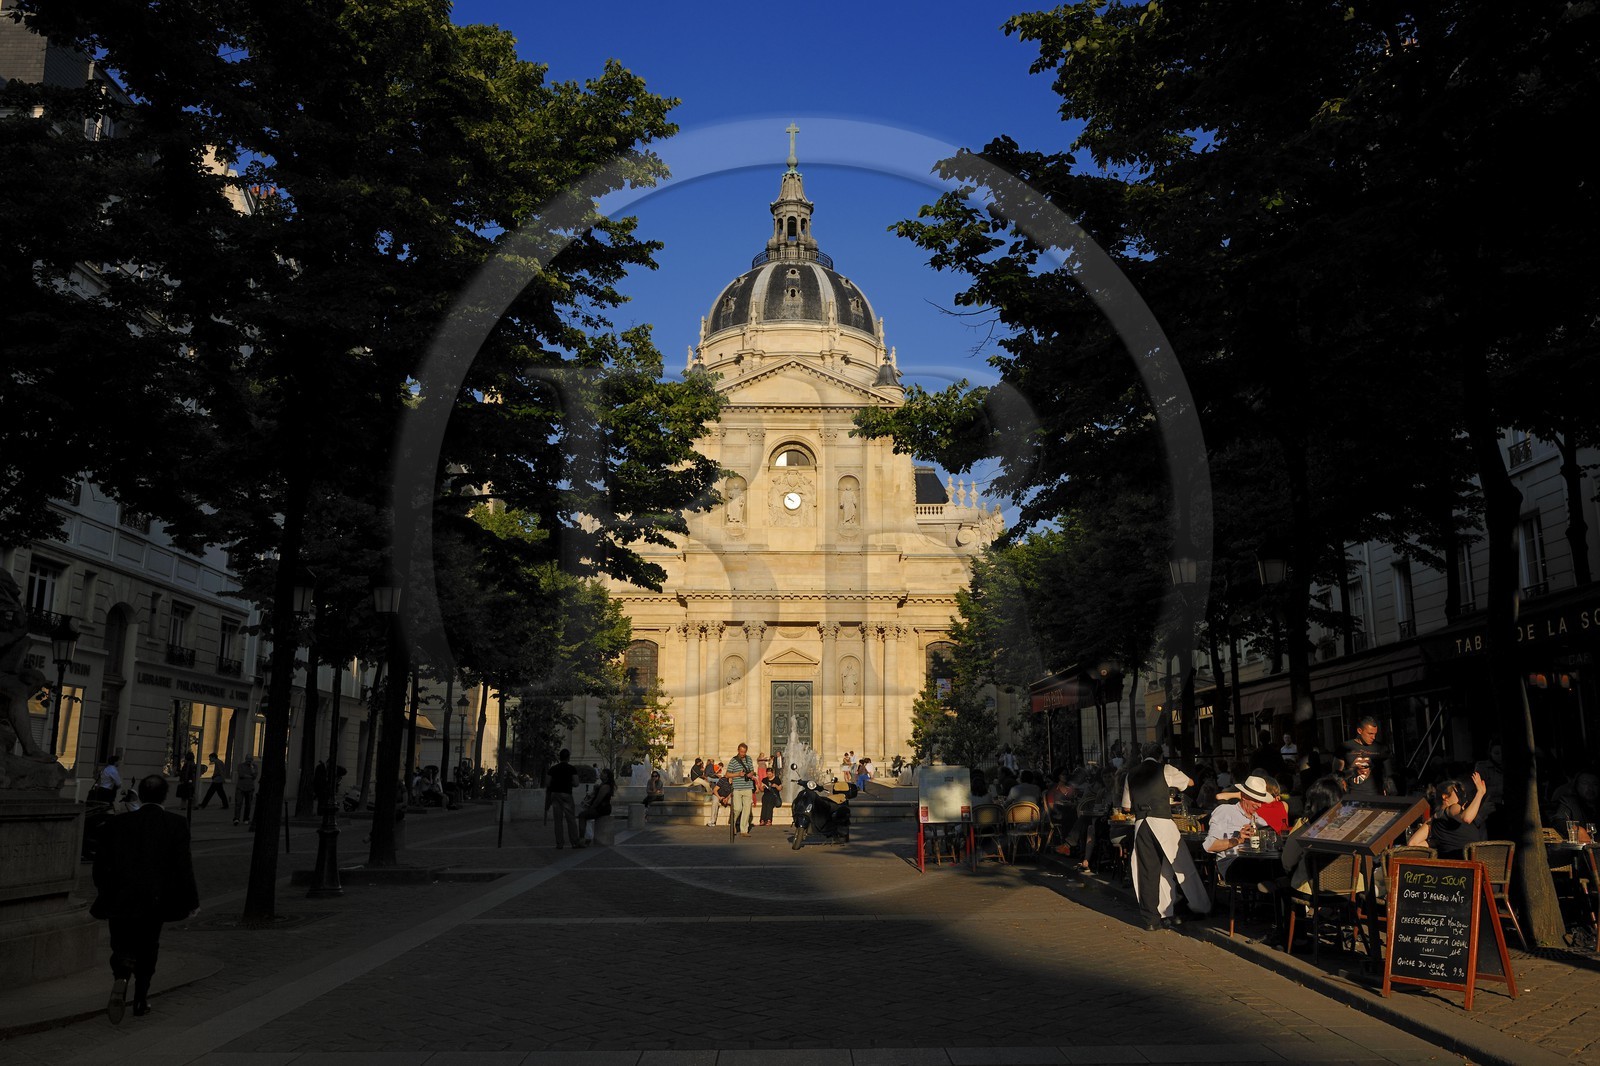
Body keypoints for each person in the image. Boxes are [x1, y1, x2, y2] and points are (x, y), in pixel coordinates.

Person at [90, 774, 200, 1022]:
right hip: (154, 899)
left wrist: (104, 890)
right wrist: (191, 901)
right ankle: (140, 998)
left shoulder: (118, 824)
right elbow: (184, 867)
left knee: (120, 943)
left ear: (139, 793)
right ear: (165, 796)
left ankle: (121, 973)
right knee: (149, 946)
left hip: (120, 897)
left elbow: (101, 865)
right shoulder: (175, 824)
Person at [1123, 742, 1210, 930]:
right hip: (1162, 820)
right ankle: (1199, 906)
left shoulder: (1131, 774)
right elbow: (1190, 783)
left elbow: (1126, 807)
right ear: (1160, 756)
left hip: (1141, 824)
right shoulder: (1165, 768)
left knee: (1147, 870)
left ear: (1142, 756)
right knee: (1182, 865)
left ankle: (1152, 919)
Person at [1204, 774, 1280, 887]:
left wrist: (1273, 840)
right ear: (1244, 796)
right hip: (1233, 864)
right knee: (1271, 868)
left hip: (1256, 862)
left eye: (1261, 801)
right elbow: (1209, 846)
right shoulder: (1225, 811)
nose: (1259, 805)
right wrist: (1238, 840)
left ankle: (1274, 893)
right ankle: (1273, 891)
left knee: (1283, 863)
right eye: (1256, 800)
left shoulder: (1260, 820)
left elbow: (1275, 844)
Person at [1407, 772, 1488, 858]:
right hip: (1471, 861)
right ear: (1445, 797)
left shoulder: (1432, 820)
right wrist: (1480, 794)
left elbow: (1412, 844)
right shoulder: (1453, 807)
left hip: (1452, 865)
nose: (1462, 796)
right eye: (1458, 793)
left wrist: (1437, 842)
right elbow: (1467, 818)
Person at [1339, 716, 1392, 797]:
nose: (1373, 737)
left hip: (1377, 796)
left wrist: (1388, 789)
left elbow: (1390, 773)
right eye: (1370, 733)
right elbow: (1336, 775)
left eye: (1375, 734)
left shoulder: (1382, 748)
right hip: (1353, 797)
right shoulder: (1345, 747)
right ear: (1359, 731)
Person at [546, 749, 580, 849]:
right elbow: (576, 783)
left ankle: (559, 843)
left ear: (559, 757)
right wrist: (569, 783)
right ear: (568, 757)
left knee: (558, 820)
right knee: (571, 819)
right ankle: (574, 842)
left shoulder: (553, 768)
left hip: (555, 794)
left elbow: (547, 783)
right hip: (567, 794)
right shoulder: (571, 768)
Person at [575, 768, 614, 846]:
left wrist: (591, 808)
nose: (600, 774)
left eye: (603, 773)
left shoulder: (606, 786)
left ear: (607, 775)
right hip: (601, 807)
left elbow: (598, 800)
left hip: (602, 808)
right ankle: (586, 838)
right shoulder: (602, 785)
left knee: (582, 815)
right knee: (583, 815)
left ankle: (582, 839)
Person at [726, 742, 757, 836]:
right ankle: (733, 823)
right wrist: (738, 774)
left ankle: (744, 830)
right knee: (738, 808)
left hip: (748, 787)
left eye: (744, 752)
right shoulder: (733, 760)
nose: (743, 754)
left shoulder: (749, 759)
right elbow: (727, 774)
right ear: (738, 751)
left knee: (747, 809)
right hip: (737, 787)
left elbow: (752, 770)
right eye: (741, 752)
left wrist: (750, 774)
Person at [233, 757, 258, 827]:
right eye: (247, 759)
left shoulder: (254, 766)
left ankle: (246, 818)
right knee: (238, 803)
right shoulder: (240, 765)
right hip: (240, 787)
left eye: (250, 760)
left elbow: (254, 776)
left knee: (248, 804)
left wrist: (252, 769)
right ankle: (236, 818)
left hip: (250, 788)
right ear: (245, 759)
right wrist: (250, 776)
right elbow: (241, 775)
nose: (248, 761)